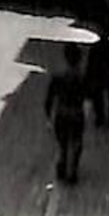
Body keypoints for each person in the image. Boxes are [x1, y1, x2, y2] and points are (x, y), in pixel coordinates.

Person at [45, 44, 91, 184]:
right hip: (76, 112)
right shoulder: (83, 78)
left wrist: (48, 117)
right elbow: (89, 97)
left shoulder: (58, 77)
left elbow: (49, 99)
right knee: (76, 141)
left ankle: (63, 162)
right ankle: (73, 171)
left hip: (61, 112)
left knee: (63, 142)